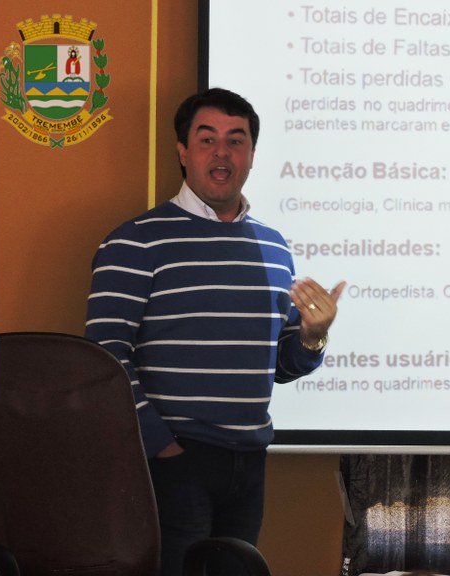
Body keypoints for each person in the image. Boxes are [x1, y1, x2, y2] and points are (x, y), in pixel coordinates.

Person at [85, 87, 345, 575]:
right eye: (207, 140)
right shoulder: (135, 241)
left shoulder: (275, 248)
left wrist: (314, 336)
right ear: (183, 152)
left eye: (235, 140)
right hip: (173, 459)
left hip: (249, 462)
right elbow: (104, 358)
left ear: (252, 154)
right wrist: (163, 448)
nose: (221, 152)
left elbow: (279, 365)